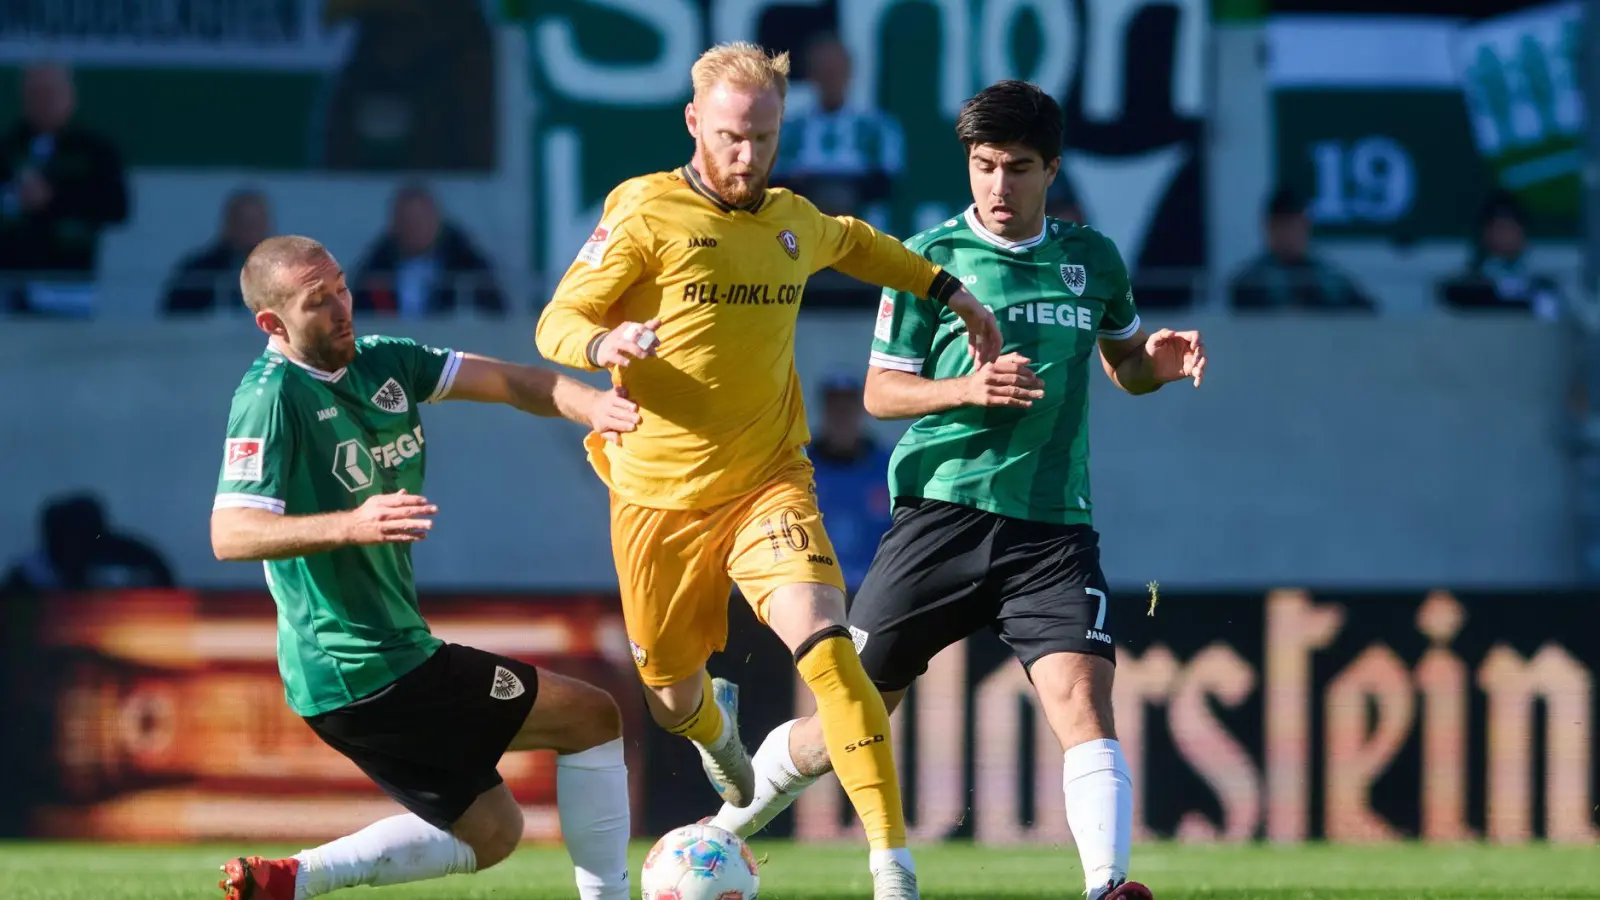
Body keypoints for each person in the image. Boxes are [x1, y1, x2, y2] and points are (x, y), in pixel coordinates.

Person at [704, 80, 1209, 900]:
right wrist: (965, 390)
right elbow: (879, 392)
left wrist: (1161, 361)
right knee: (850, 723)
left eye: (1017, 168)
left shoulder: (1093, 260)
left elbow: (1125, 369)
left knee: (1082, 697)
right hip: (941, 519)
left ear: (1052, 169)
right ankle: (717, 832)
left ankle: (1109, 887)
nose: (998, 187)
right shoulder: (928, 261)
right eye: (983, 167)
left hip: (1051, 528)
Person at [534, 42, 1003, 900]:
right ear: (693, 124)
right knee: (671, 697)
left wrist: (952, 292)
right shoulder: (643, 212)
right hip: (657, 500)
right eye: (730, 137)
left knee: (831, 655)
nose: (747, 156)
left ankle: (892, 871)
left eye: (763, 137)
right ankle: (719, 736)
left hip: (767, 483)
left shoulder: (793, 219)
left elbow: (862, 246)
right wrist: (605, 341)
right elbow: (556, 321)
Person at [212, 236, 640, 900]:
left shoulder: (385, 360)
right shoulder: (270, 397)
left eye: (343, 287)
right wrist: (354, 525)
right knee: (592, 717)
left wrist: (595, 408)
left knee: (493, 833)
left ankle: (289, 882)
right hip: (366, 664)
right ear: (272, 323)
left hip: (349, 681)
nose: (341, 308)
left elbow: (513, 381)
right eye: (316, 301)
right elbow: (230, 533)